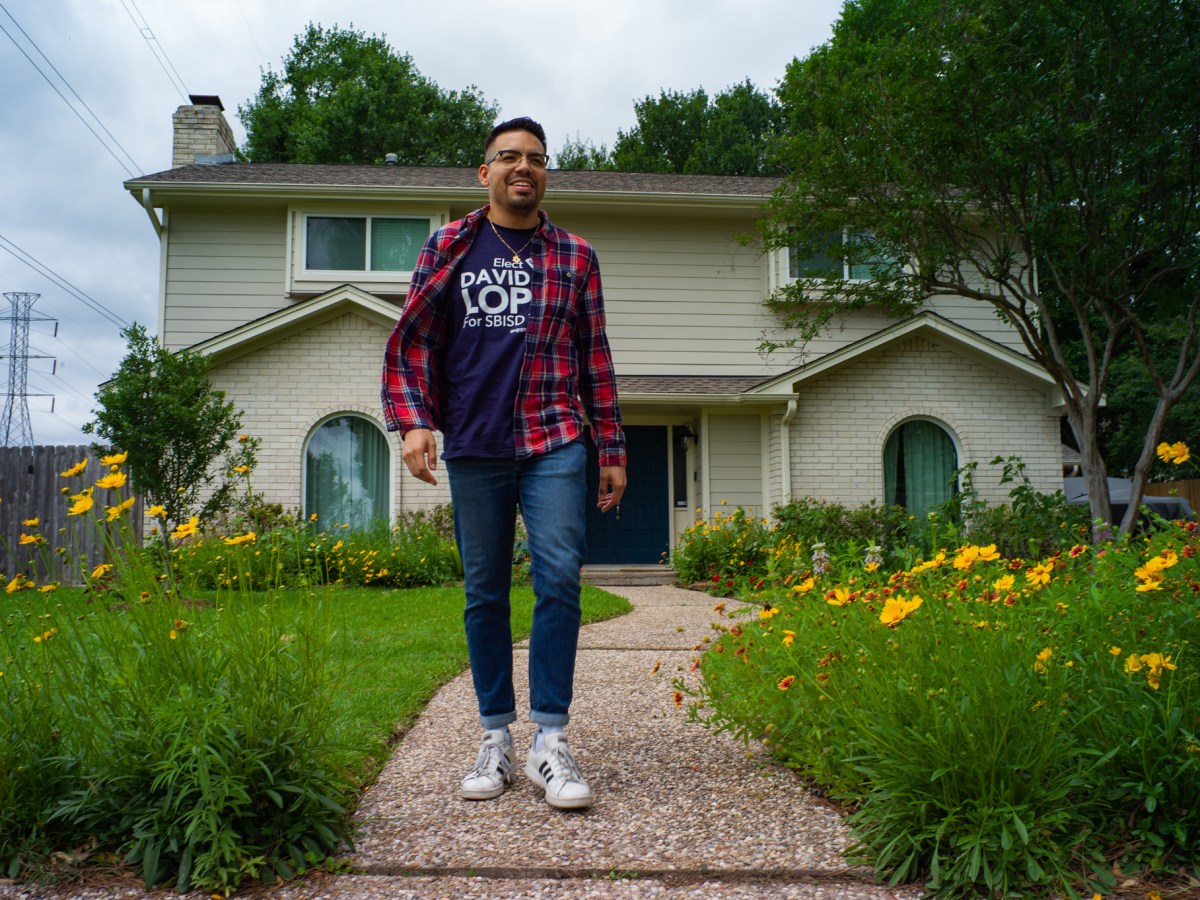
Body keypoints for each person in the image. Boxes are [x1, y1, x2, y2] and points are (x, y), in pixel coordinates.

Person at [381, 117, 626, 810]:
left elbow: (595, 361)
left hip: (554, 438)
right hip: (477, 444)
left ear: (544, 174)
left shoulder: (576, 255)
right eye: (509, 157)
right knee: (485, 592)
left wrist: (611, 447)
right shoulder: (448, 247)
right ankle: (496, 737)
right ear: (483, 173)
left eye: (537, 159)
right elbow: (413, 344)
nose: (525, 167)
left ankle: (552, 740)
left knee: (559, 582)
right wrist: (413, 421)